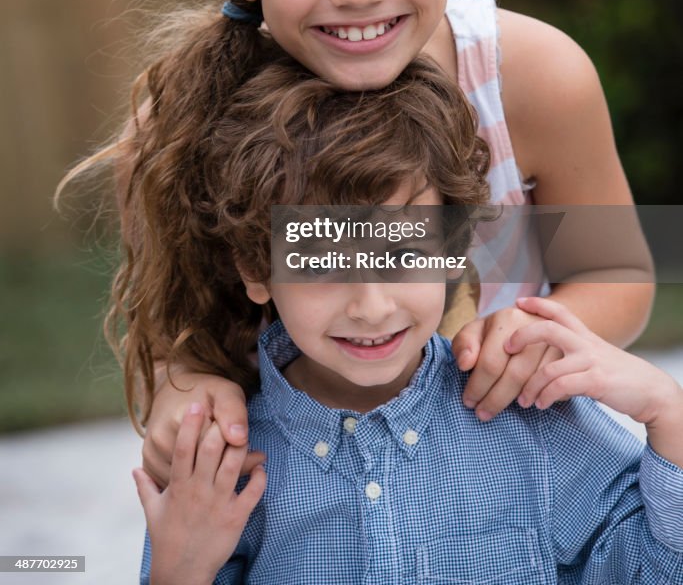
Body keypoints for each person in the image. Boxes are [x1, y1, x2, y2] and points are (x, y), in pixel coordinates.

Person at [103, 0, 653, 482]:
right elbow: (179, 337)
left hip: (520, 463)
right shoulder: (179, 127)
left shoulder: (530, 78)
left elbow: (618, 272)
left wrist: (521, 337)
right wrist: (181, 387)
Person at [131, 58, 683, 585]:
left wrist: (668, 411)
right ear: (256, 267)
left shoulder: (536, 426)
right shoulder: (222, 468)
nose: (371, 307)